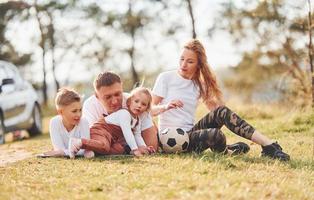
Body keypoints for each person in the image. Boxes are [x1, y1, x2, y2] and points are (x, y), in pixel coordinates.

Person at [151, 39, 290, 161]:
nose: (183, 65)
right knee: (215, 135)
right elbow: (149, 110)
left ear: (199, 65)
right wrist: (165, 107)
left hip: (190, 135)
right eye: (181, 59)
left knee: (222, 112)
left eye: (190, 61)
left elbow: (217, 111)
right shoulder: (165, 78)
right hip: (170, 139)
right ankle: (227, 151)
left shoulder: (200, 85)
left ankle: (268, 145)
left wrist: (223, 111)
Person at [69, 87, 156, 158]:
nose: (139, 105)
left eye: (143, 104)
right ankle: (79, 142)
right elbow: (127, 132)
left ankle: (94, 151)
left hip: (111, 138)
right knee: (105, 146)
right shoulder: (124, 114)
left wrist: (144, 147)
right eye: (136, 101)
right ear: (129, 102)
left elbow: (137, 135)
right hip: (100, 130)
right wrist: (135, 149)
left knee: (121, 149)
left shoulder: (138, 120)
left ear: (147, 108)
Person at [41, 88, 94, 158]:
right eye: (74, 111)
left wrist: (63, 152)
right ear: (60, 112)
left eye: (80, 110)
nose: (79, 114)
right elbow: (59, 149)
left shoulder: (84, 122)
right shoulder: (54, 122)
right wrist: (61, 151)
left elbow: (85, 150)